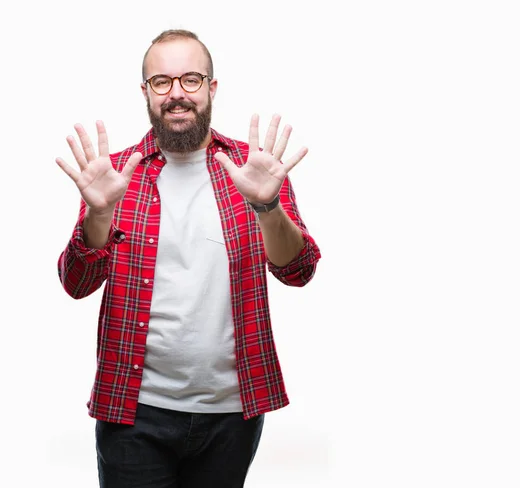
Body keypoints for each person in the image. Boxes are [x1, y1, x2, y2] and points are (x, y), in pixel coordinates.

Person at [55, 29, 321, 488]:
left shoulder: (254, 168)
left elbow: (298, 272)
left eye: (191, 79)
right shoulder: (116, 173)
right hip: (133, 412)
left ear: (211, 88)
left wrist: (266, 206)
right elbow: (77, 284)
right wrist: (99, 213)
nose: (177, 93)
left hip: (232, 414)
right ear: (146, 93)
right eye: (162, 81)